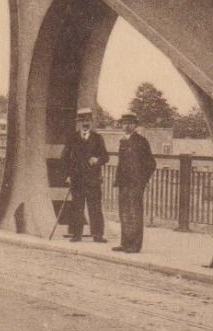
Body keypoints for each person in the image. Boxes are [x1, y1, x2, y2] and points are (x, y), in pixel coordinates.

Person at [60, 108, 108, 242]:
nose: (85, 124)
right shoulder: (72, 138)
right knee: (77, 207)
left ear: (91, 122)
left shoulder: (98, 138)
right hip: (77, 179)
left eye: (87, 121)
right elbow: (64, 158)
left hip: (93, 179)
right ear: (78, 123)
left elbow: (105, 157)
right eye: (82, 121)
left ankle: (98, 235)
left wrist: (97, 160)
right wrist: (68, 175)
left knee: (95, 207)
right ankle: (77, 234)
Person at [112, 112, 157, 253]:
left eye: (130, 123)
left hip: (135, 184)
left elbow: (151, 164)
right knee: (124, 213)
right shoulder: (123, 141)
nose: (126, 126)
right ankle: (125, 243)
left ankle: (135, 245)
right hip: (124, 183)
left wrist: (141, 181)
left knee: (135, 213)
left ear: (135, 126)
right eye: (124, 123)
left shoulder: (141, 141)